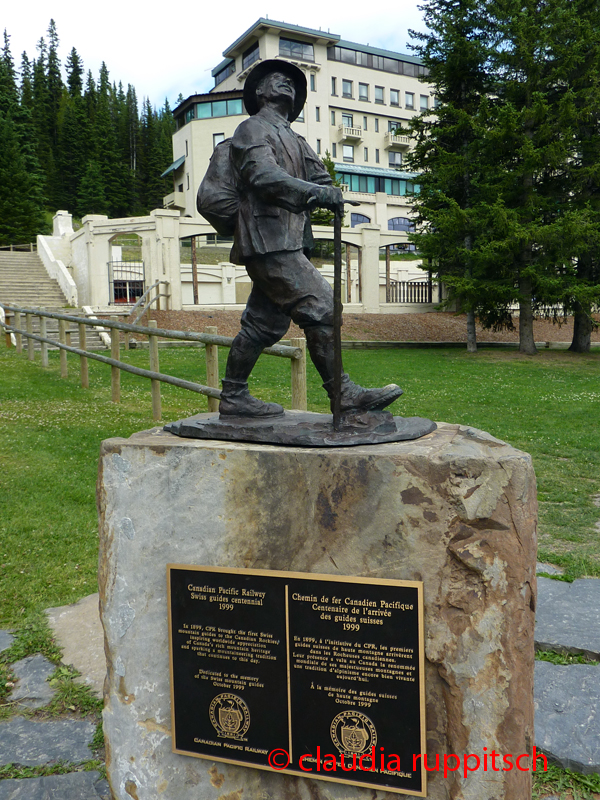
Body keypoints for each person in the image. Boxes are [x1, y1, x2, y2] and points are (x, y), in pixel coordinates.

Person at [217, 59, 402, 418]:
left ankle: (234, 395)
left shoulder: (296, 140)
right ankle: (342, 393)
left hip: (288, 240)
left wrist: (328, 190)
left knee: (262, 324)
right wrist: (314, 195)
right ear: (259, 92)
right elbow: (262, 175)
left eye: (292, 82)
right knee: (322, 309)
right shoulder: (252, 129)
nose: (285, 83)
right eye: (276, 79)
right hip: (267, 238)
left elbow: (321, 178)